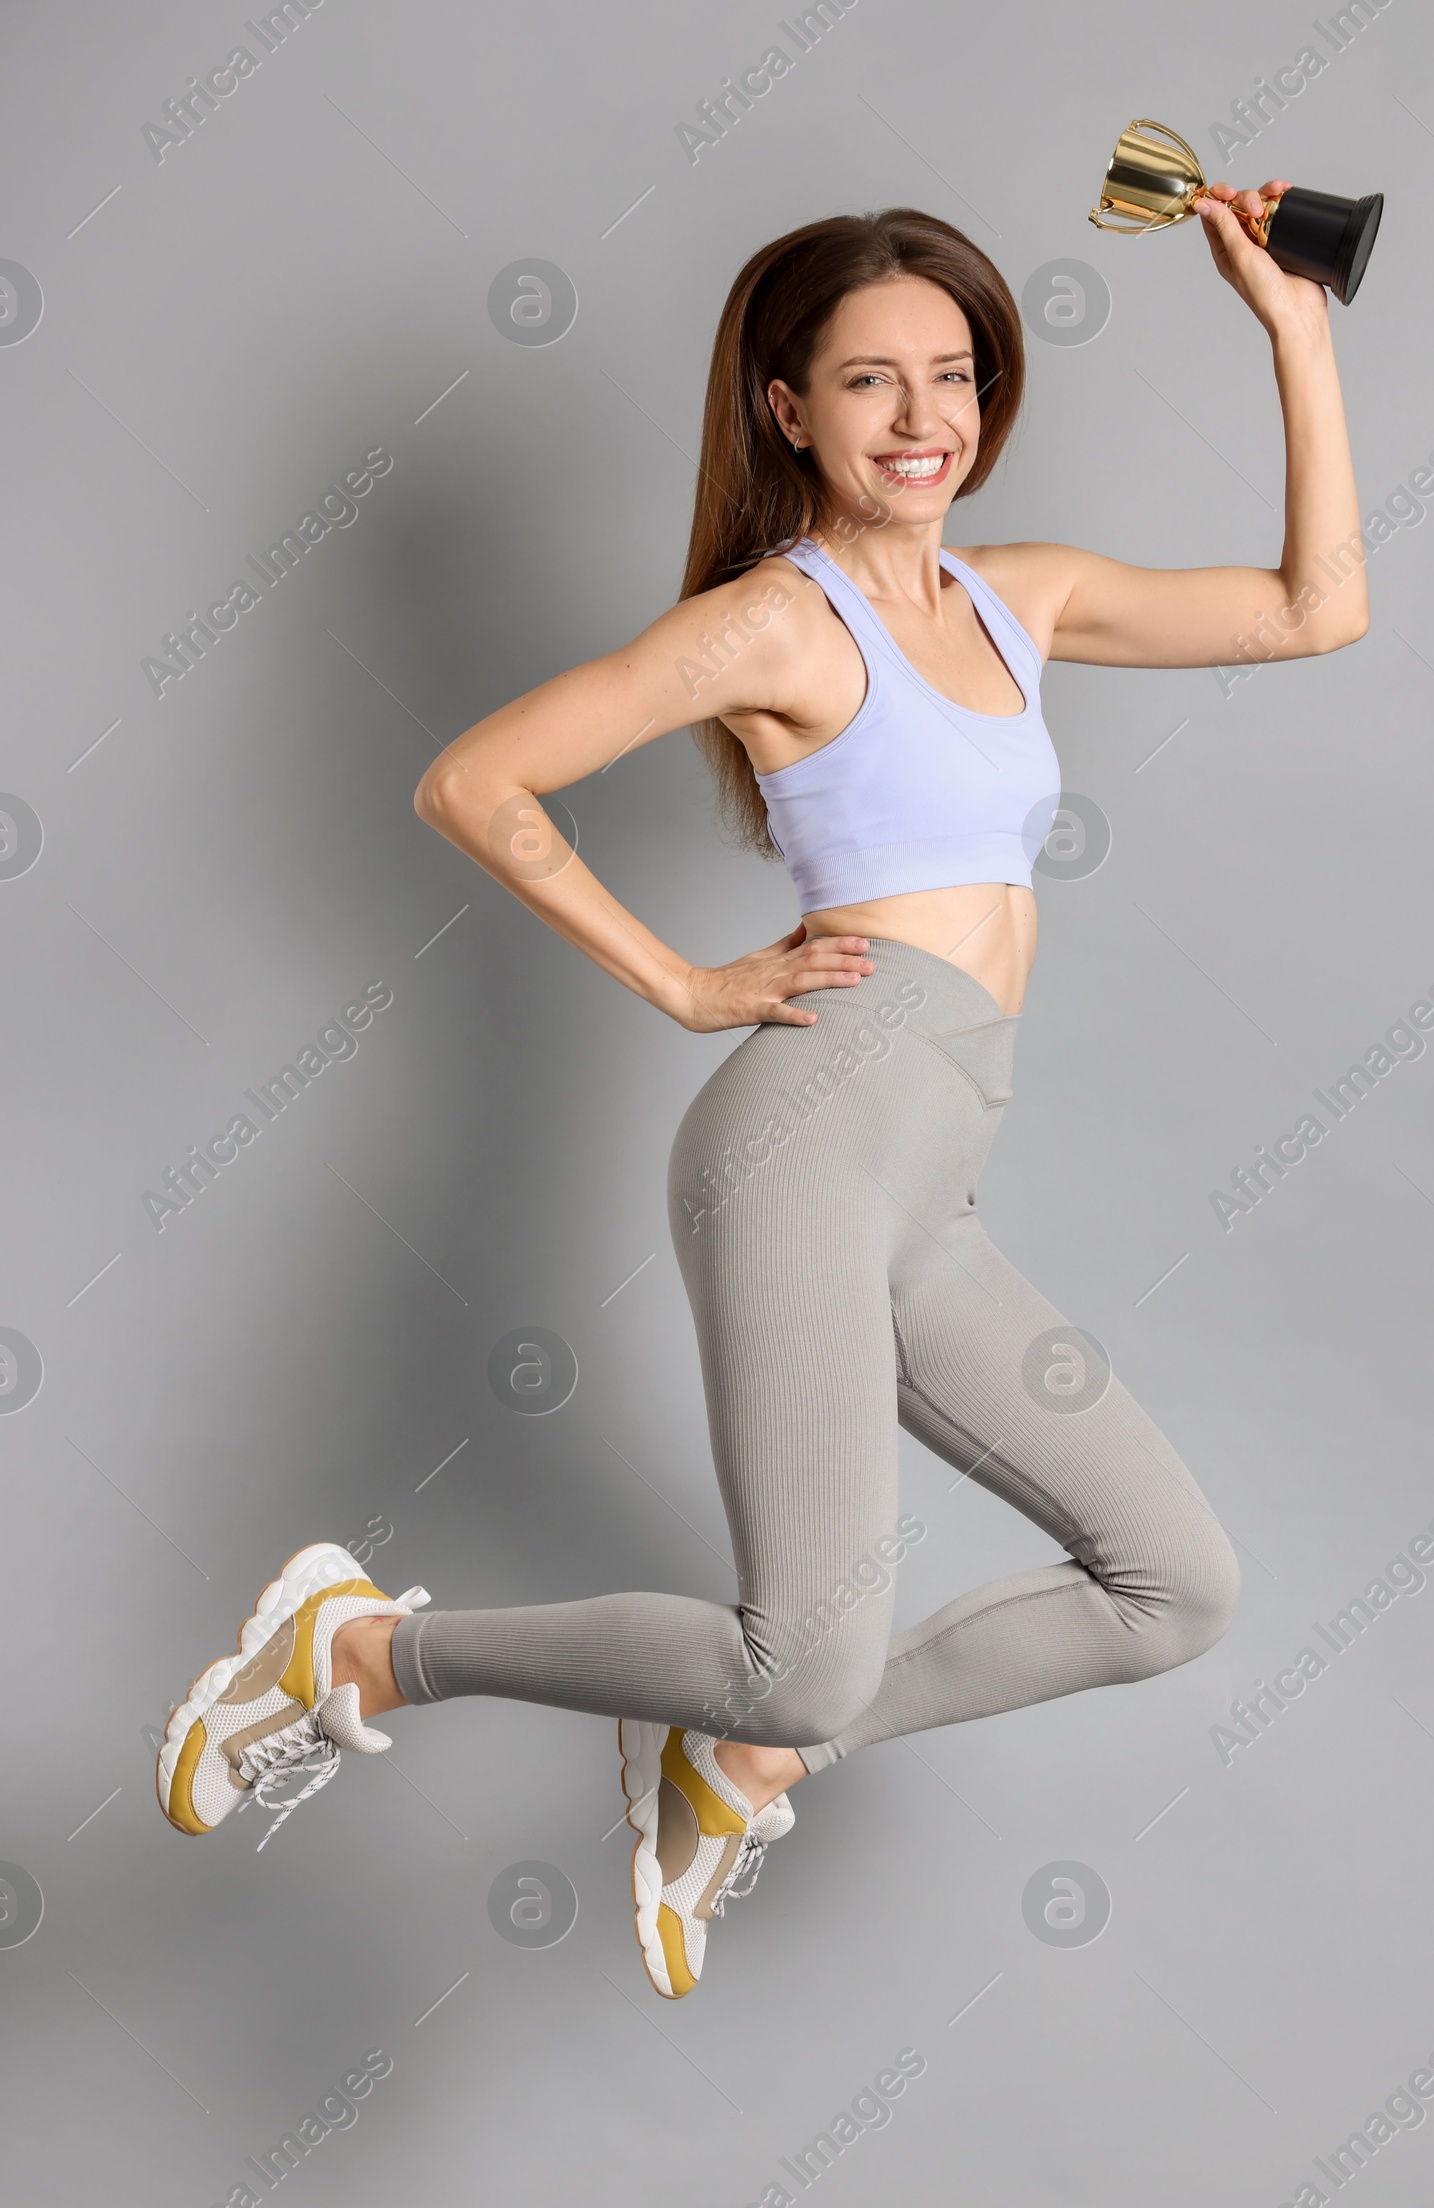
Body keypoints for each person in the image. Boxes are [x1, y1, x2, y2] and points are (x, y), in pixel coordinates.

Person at [157, 188, 1368, 1998]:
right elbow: (476, 783)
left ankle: (730, 1757)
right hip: (809, 1139)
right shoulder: (774, 628)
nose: (922, 420)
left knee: (1172, 1587)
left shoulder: (1013, 597)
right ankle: (357, 1654)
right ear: (786, 409)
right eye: (869, 382)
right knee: (800, 1641)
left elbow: (1311, 610)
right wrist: (687, 985)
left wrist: (1291, 326)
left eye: (951, 375)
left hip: (932, 1180)